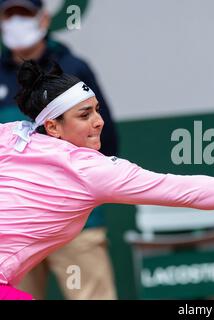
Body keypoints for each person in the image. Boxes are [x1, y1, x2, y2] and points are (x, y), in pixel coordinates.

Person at [0, 61, 214, 300]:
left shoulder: (11, 136)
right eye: (84, 115)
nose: (98, 121)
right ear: (53, 127)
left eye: (97, 110)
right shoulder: (92, 171)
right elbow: (183, 190)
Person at [0, 0, 119, 299]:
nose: (16, 23)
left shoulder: (73, 67)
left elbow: (105, 138)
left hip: (76, 221)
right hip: (14, 229)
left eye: (23, 15)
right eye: (8, 15)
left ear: (43, 20)